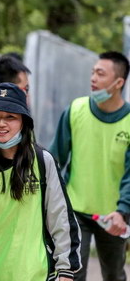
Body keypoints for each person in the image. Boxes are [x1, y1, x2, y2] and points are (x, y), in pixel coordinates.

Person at [0, 82, 81, 280]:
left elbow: (60, 215)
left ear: (23, 122)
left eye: (10, 117)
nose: (1, 124)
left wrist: (65, 267)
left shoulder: (43, 161)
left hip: (33, 274)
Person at [50, 51, 130, 281]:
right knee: (72, 274)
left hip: (114, 216)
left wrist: (123, 211)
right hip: (75, 210)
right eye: (92, 72)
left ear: (118, 83)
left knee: (114, 274)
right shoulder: (75, 110)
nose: (93, 78)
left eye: (100, 73)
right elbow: (55, 159)